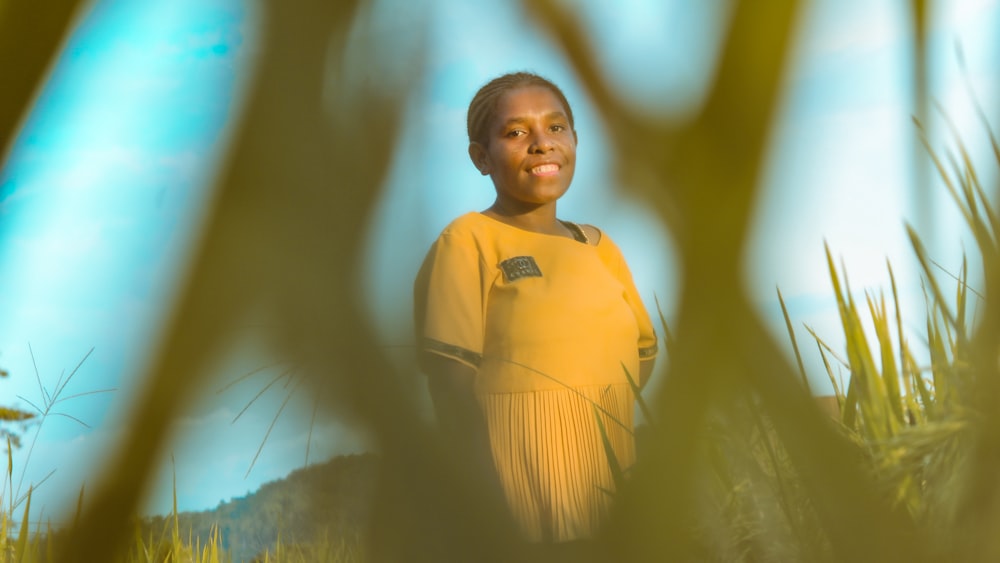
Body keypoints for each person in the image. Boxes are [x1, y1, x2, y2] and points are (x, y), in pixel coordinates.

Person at [413, 71, 658, 546]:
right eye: (516, 132)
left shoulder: (600, 246)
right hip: (520, 509)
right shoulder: (468, 241)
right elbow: (451, 388)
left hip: (613, 498)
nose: (542, 144)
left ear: (575, 140)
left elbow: (641, 361)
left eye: (557, 127)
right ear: (480, 157)